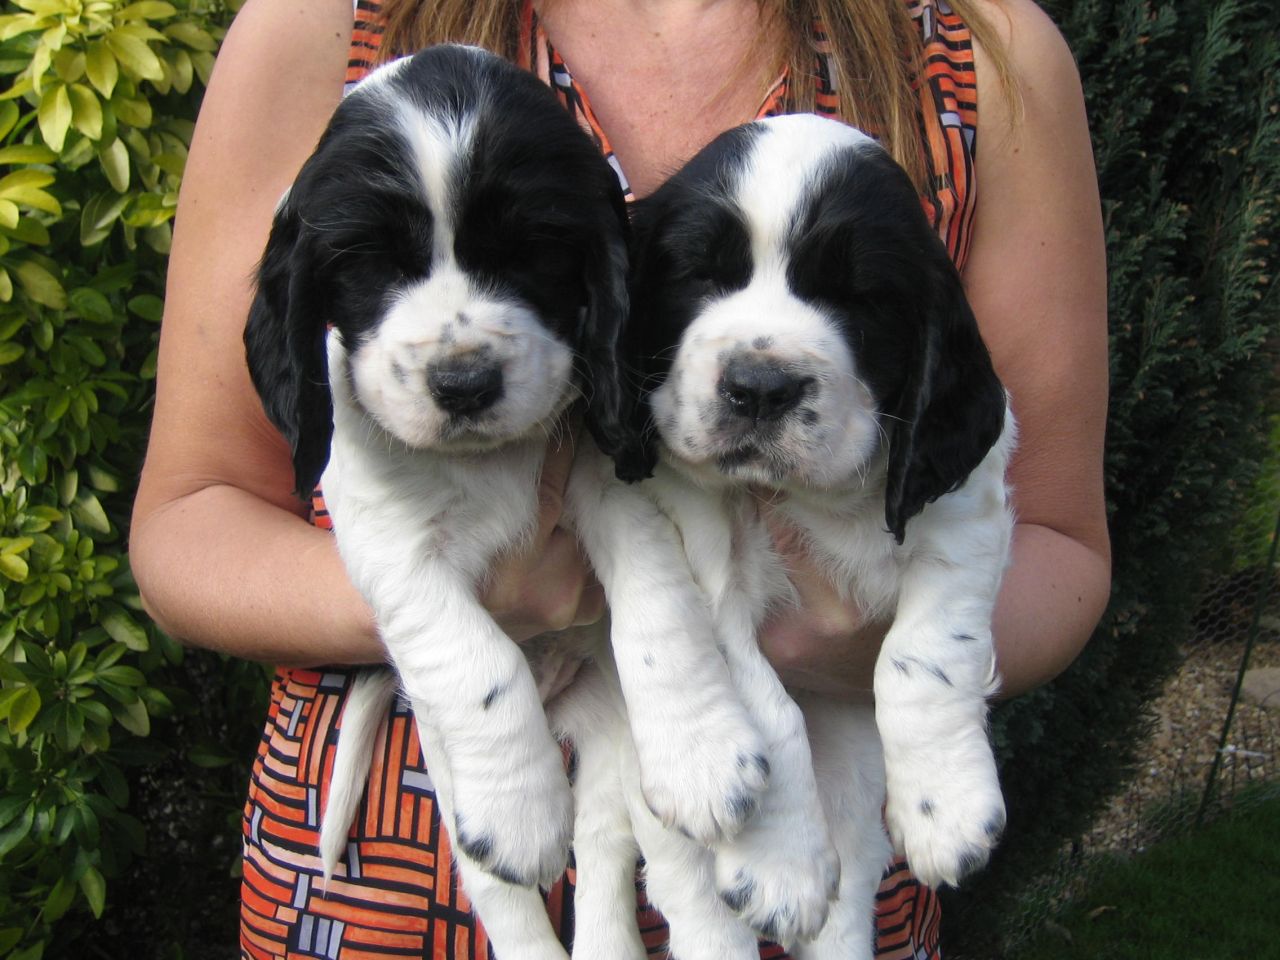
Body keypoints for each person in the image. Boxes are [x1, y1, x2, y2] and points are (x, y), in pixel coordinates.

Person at [129, 0, 1111, 956]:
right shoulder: (321, 21)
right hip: (386, 896)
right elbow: (188, 520)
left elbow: (1052, 539)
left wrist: (865, 660)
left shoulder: (980, 49)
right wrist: (457, 604)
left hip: (819, 870)